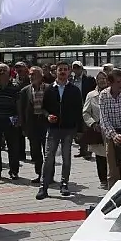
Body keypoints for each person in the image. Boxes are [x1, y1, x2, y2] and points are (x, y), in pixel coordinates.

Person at [36, 61, 82, 200]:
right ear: (55, 72)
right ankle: (43, 187)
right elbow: (43, 109)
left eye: (65, 70)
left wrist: (79, 130)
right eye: (60, 69)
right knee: (48, 158)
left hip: (68, 129)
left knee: (66, 158)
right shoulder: (49, 89)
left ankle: (64, 184)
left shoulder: (74, 90)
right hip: (53, 129)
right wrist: (47, 116)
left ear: (69, 72)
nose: (62, 72)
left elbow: (78, 111)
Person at [19, 66, 50, 183]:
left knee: (48, 152)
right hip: (32, 125)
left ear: (41, 76)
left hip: (46, 124)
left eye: (34, 74)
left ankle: (48, 175)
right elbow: (21, 110)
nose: (31, 76)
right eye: (30, 74)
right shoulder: (25, 90)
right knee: (35, 152)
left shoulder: (49, 88)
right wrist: (23, 126)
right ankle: (39, 174)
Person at [82, 71, 109, 189]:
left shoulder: (111, 93)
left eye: (104, 78)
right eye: (99, 79)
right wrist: (92, 123)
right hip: (97, 129)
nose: (102, 80)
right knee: (100, 156)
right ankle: (103, 180)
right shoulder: (91, 95)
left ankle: (114, 178)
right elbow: (86, 112)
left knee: (112, 156)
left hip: (111, 129)